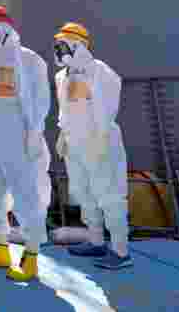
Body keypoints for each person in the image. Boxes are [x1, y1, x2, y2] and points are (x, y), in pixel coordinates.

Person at [0, 3, 50, 282]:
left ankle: (31, 256)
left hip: (18, 140)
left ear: (3, 29)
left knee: (27, 197)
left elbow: (40, 102)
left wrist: (33, 135)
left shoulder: (29, 60)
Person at [52, 23, 131, 270]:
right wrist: (63, 134)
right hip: (74, 145)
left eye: (64, 45)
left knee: (109, 195)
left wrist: (101, 138)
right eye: (58, 45)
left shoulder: (100, 72)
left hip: (100, 143)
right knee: (84, 194)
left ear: (80, 46)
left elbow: (106, 109)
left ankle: (120, 251)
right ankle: (96, 241)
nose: (59, 50)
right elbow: (65, 110)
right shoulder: (61, 77)